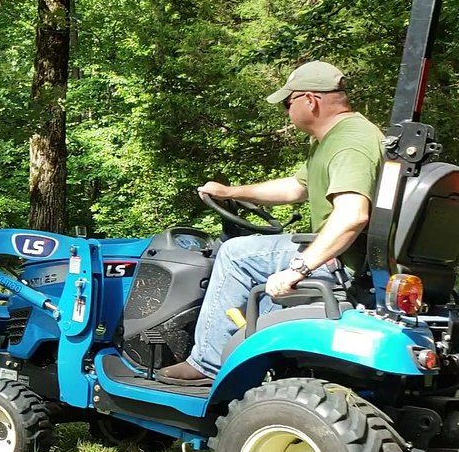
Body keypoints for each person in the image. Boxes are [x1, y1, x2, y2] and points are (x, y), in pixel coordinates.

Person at [156, 61, 385, 386]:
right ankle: (252, 358)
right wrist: (230, 191)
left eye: (287, 103)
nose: (286, 112)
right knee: (253, 259)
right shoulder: (330, 139)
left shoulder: (350, 142)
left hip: (345, 262)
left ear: (310, 100)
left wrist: (298, 270)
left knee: (235, 254)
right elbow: (296, 188)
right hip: (345, 254)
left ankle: (206, 364)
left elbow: (352, 215)